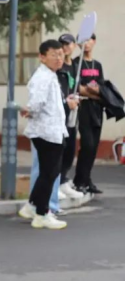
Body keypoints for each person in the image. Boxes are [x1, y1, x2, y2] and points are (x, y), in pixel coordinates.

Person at [20, 40, 78, 230]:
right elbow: (37, 103)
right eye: (54, 55)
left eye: (61, 54)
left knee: (48, 172)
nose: (59, 58)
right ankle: (42, 214)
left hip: (51, 131)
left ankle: (32, 206)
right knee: (50, 173)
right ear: (42, 57)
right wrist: (30, 110)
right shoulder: (43, 77)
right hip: (46, 132)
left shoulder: (49, 75)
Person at [73, 35, 105, 195]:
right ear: (78, 44)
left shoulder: (97, 65)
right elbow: (77, 88)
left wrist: (93, 90)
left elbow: (102, 88)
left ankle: (86, 179)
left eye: (89, 40)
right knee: (87, 144)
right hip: (83, 107)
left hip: (97, 108)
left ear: (94, 41)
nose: (86, 44)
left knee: (94, 146)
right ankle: (79, 180)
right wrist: (91, 91)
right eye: (83, 41)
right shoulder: (76, 64)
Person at [57, 33, 85, 199]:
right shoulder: (58, 66)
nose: (65, 47)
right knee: (60, 148)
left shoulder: (75, 66)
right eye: (62, 44)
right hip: (60, 112)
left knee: (70, 149)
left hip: (72, 113)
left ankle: (63, 180)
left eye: (68, 44)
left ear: (74, 45)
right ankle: (56, 183)